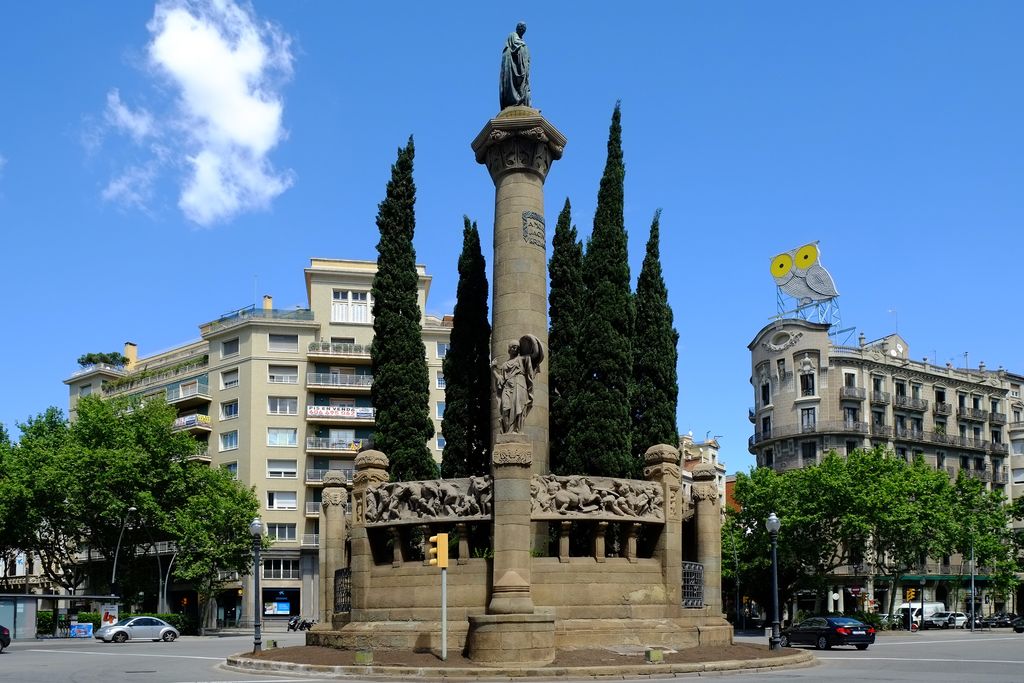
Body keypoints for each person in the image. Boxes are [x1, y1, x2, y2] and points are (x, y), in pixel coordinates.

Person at [492, 341, 535, 433]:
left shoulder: (523, 359)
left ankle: (516, 430)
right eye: (513, 347)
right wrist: (493, 369)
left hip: (519, 384)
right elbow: (501, 379)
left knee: (518, 408)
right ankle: (507, 432)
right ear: (509, 349)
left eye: (517, 347)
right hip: (507, 387)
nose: (515, 348)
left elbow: (531, 368)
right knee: (505, 409)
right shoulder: (505, 365)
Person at [499, 22, 530, 109]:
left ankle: (523, 100)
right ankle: (516, 100)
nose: (522, 30)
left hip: (521, 66)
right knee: (512, 82)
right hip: (512, 65)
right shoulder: (513, 35)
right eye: (520, 28)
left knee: (524, 84)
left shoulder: (521, 40)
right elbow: (516, 44)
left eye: (523, 29)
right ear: (517, 28)